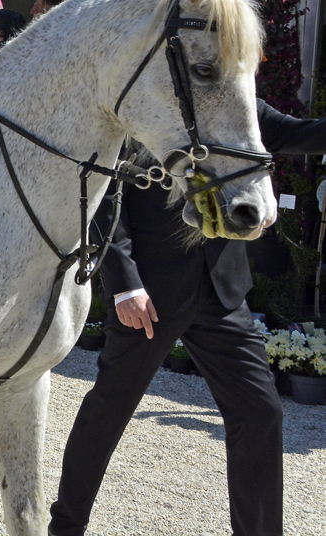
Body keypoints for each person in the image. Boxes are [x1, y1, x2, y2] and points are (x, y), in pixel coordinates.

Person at [48, 98, 326, 536]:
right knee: (109, 411)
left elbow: (297, 132)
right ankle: (66, 527)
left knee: (261, 411)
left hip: (221, 290)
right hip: (150, 296)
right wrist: (124, 284)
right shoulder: (141, 100)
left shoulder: (236, 102)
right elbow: (104, 200)